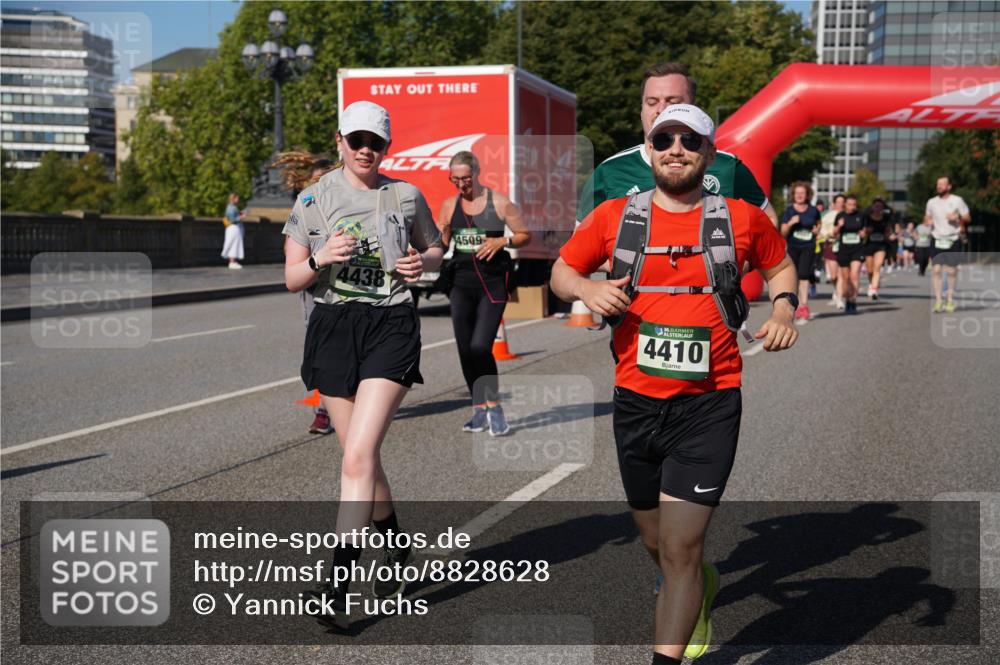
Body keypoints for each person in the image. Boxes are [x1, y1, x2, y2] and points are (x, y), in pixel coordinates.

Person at [551, 104, 798, 665]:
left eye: (690, 140)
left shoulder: (741, 218)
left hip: (709, 405)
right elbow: (562, 270)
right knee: (656, 543)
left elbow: (781, 266)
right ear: (650, 150)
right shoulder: (616, 216)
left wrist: (784, 308)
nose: (676, 149)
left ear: (709, 153)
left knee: (681, 547)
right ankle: (700, 584)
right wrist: (586, 290)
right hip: (636, 404)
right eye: (665, 139)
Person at [282, 101, 444, 629]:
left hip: (390, 324)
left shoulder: (405, 195)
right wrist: (320, 258)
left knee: (357, 457)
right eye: (357, 140)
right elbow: (291, 278)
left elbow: (436, 248)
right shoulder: (313, 199)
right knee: (361, 456)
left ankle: (336, 586)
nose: (366, 150)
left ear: (387, 147)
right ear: (340, 141)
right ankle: (395, 547)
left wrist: (423, 262)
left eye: (375, 142)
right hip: (333, 327)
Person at [577, 62, 778, 227]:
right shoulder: (610, 171)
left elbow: (767, 220)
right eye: (652, 102)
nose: (661, 109)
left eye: (672, 101)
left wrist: (737, 257)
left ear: (693, 108)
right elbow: (579, 244)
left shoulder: (727, 167)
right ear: (641, 111)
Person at [436, 151, 531, 436]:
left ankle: (495, 406)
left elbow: (525, 235)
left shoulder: (499, 202)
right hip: (460, 283)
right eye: (455, 179)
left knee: (480, 346)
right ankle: (479, 408)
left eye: (465, 178)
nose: (461, 184)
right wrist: (434, 240)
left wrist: (503, 241)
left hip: (493, 283)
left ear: (477, 173)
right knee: (465, 349)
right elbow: (442, 244)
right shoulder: (449, 205)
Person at [276, 150, 339, 435]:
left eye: (325, 180)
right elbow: (289, 248)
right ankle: (323, 411)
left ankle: (352, 398)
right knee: (320, 349)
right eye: (315, 180)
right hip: (314, 287)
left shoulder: (346, 206)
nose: (319, 185)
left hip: (347, 287)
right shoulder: (302, 208)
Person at [925, 176, 970, 313]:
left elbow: (967, 217)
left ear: (949, 186)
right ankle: (938, 300)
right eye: (937, 184)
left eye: (942, 184)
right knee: (936, 270)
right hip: (937, 237)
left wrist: (957, 217)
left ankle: (950, 299)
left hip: (953, 238)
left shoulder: (957, 200)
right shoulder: (931, 202)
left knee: (951, 271)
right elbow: (927, 217)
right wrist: (928, 221)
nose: (939, 186)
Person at [779, 181, 821, 321]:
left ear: (807, 195)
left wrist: (817, 230)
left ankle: (804, 305)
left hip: (808, 246)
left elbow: (818, 223)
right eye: (797, 193)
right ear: (793, 195)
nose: (799, 195)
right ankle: (794, 304)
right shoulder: (789, 211)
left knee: (804, 274)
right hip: (793, 246)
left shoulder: (813, 210)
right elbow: (783, 232)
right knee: (794, 276)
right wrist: (791, 223)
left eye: (802, 193)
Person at [833, 195, 865, 314]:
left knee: (854, 276)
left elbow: (865, 230)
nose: (852, 207)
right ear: (845, 205)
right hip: (844, 250)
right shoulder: (840, 216)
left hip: (857, 249)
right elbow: (834, 233)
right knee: (845, 278)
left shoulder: (860, 216)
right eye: (850, 204)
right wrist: (839, 226)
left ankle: (853, 301)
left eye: (854, 205)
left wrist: (863, 233)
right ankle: (847, 299)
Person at [862, 198, 894, 301]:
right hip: (869, 244)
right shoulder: (867, 217)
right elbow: (862, 230)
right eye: (876, 206)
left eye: (880, 206)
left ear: (883, 208)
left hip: (881, 245)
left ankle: (874, 290)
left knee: (877, 266)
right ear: (873, 207)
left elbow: (889, 231)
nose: (878, 208)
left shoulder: (886, 218)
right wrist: (867, 230)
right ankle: (871, 284)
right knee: (870, 270)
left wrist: (889, 234)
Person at [819, 194, 845, 307]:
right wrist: (829, 234)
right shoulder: (828, 216)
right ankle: (836, 291)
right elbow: (822, 230)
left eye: (843, 202)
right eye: (838, 202)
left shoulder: (847, 215)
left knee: (841, 274)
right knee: (834, 276)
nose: (841, 204)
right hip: (831, 245)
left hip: (845, 246)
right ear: (834, 204)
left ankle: (839, 298)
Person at [222, 192, 245, 269]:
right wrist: (240, 217)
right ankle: (232, 261)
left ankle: (233, 261)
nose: (238, 199)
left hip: (234, 228)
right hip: (233, 228)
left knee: (234, 244)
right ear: (233, 198)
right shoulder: (231, 208)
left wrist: (240, 214)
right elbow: (232, 219)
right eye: (237, 198)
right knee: (233, 244)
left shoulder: (232, 207)